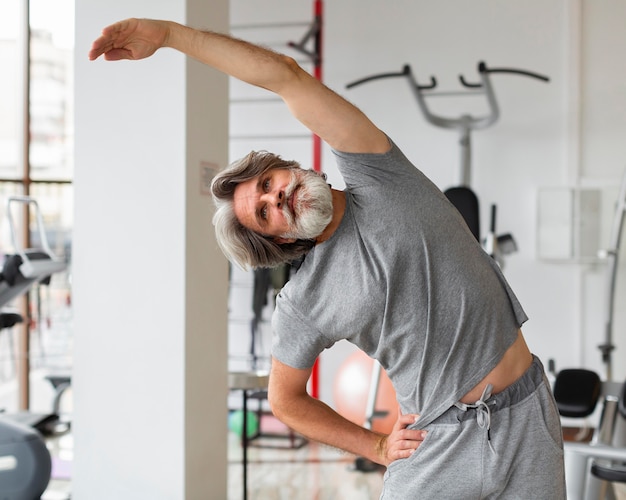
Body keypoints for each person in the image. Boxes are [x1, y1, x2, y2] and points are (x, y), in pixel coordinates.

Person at [89, 18, 566, 498]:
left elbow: (285, 76)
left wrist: (171, 36)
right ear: (278, 241)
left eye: (268, 183)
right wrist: (376, 446)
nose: (276, 198)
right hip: (439, 441)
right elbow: (285, 399)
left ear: (290, 168)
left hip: (528, 417)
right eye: (263, 212)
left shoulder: (379, 174)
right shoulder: (303, 301)